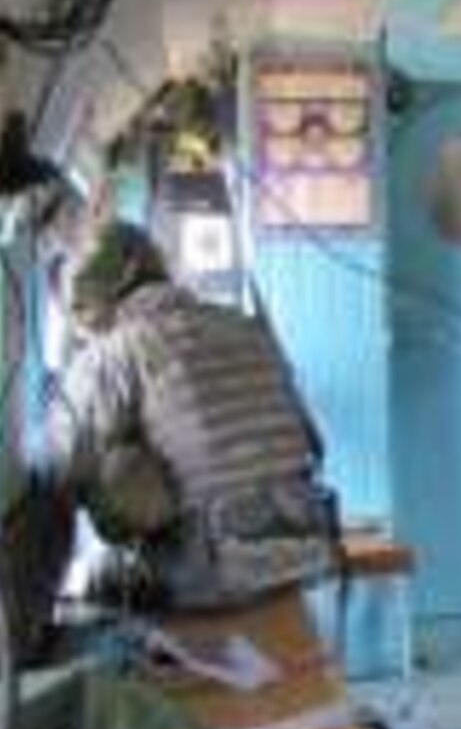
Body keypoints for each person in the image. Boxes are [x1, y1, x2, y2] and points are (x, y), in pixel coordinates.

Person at [44, 219, 336, 610]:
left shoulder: (114, 353)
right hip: (307, 546)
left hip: (212, 574)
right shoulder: (245, 326)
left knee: (116, 470)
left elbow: (62, 466)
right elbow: (314, 443)